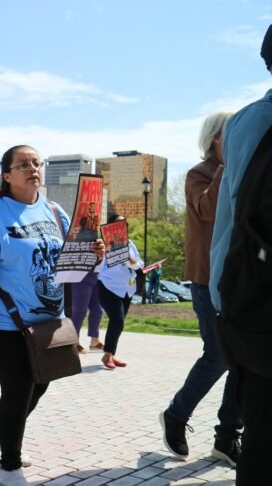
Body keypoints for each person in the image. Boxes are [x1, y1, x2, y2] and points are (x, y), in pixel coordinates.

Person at [0, 145, 103, 486]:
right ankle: (10, 465)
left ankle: (6, 433)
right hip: (2, 322)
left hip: (48, 321)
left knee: (42, 381)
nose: (32, 168)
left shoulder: (54, 211)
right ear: (7, 175)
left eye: (36, 163)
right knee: (18, 387)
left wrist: (93, 253)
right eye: (23, 164)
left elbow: (71, 261)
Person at [160, 111, 242, 467]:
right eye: (231, 132)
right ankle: (176, 415)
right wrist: (227, 165)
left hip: (240, 277)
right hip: (207, 279)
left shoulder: (244, 169)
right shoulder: (200, 173)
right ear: (215, 139)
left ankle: (227, 437)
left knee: (243, 359)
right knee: (218, 355)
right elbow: (207, 209)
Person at [209, 24, 272, 484]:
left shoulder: (245, 122)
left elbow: (232, 220)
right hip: (254, 302)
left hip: (246, 299)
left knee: (261, 443)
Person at [96, 214, 143, 370]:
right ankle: (107, 355)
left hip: (127, 289)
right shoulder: (103, 245)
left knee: (118, 323)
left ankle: (112, 353)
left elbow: (140, 264)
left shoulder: (130, 243)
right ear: (110, 227)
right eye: (118, 224)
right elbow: (97, 265)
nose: (122, 227)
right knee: (117, 320)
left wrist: (132, 263)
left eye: (124, 224)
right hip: (108, 287)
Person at [69, 272, 104, 353]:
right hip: (80, 276)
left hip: (96, 276)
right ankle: (74, 342)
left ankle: (94, 341)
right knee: (80, 310)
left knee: (98, 310)